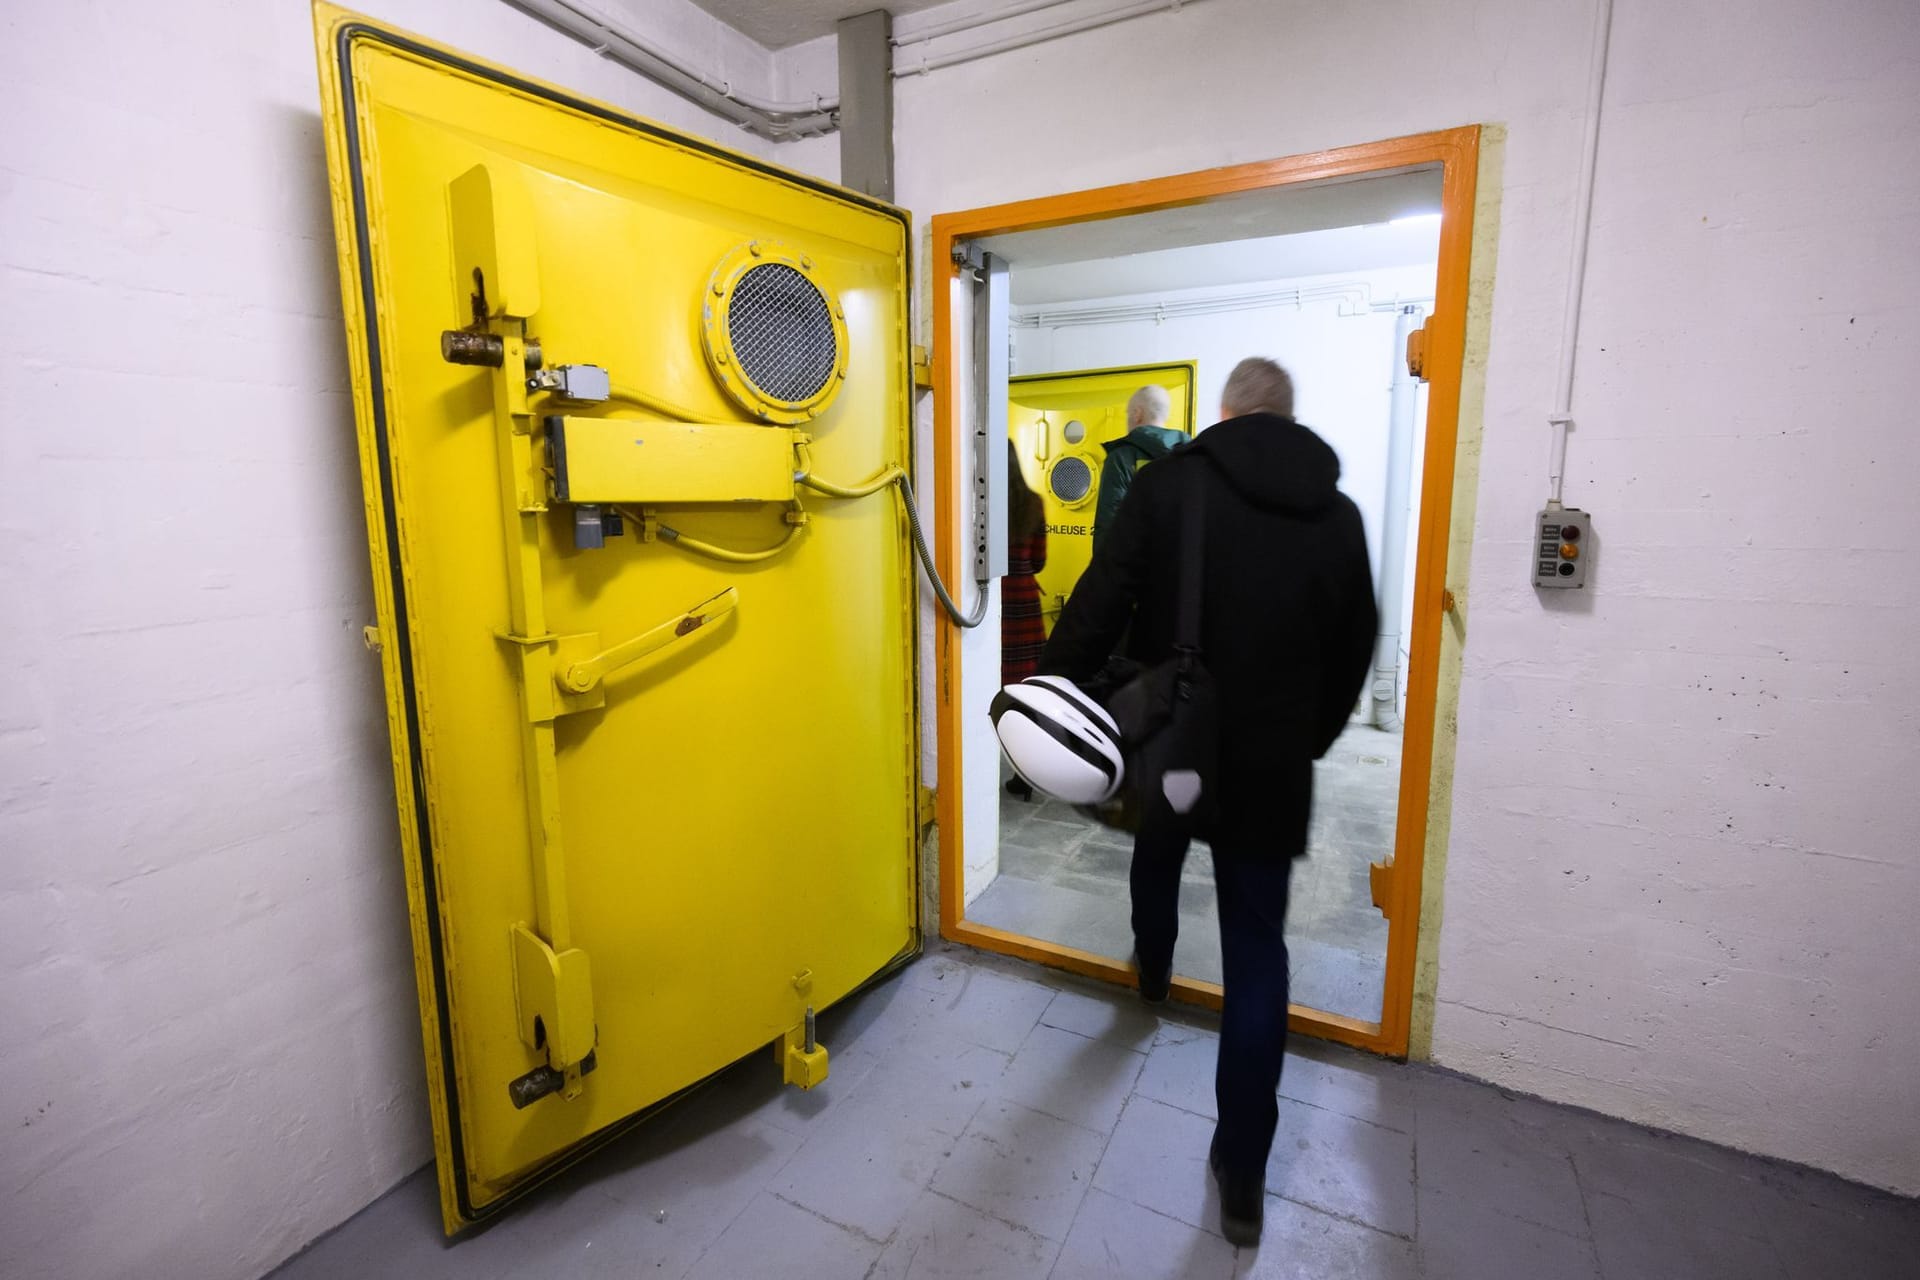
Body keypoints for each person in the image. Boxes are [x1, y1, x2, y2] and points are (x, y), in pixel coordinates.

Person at [1039, 357, 1375, 1247]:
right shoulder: (1336, 513)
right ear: (1290, 418)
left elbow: (1103, 596)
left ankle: (1152, 968)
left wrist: (1043, 696)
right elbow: (1357, 642)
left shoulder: (1171, 486)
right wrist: (1316, 734)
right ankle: (1243, 1173)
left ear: (1223, 413)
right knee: (1257, 950)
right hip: (1272, 761)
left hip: (1179, 741)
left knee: (1158, 843)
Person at [1001, 440, 1049, 801]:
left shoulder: (978, 503)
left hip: (992, 600)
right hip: (1024, 599)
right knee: (1025, 692)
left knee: (989, 688)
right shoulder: (1033, 503)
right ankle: (1025, 773)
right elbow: (1038, 562)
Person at [1091, 384, 1187, 552]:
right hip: (1180, 565)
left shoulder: (1122, 457)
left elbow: (1109, 524)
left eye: (1128, 413)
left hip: (1136, 567)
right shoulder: (1191, 454)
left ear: (1137, 414)